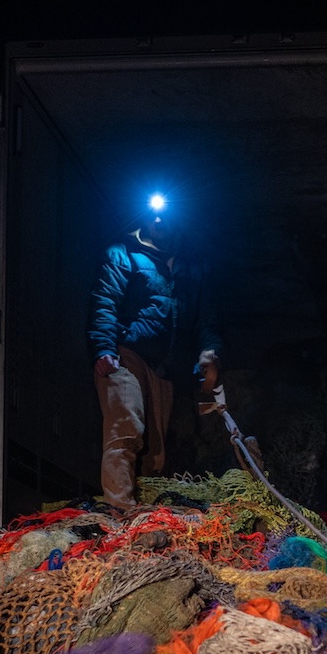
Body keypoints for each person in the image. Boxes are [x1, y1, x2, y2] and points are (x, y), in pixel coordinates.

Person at [86, 199, 222, 509]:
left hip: (165, 367)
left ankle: (147, 517)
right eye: (153, 214)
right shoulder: (122, 254)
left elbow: (207, 320)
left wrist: (210, 353)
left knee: (156, 453)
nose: (158, 219)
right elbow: (104, 303)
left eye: (166, 214)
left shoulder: (194, 264)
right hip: (126, 355)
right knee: (126, 428)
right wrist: (104, 350)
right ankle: (120, 511)